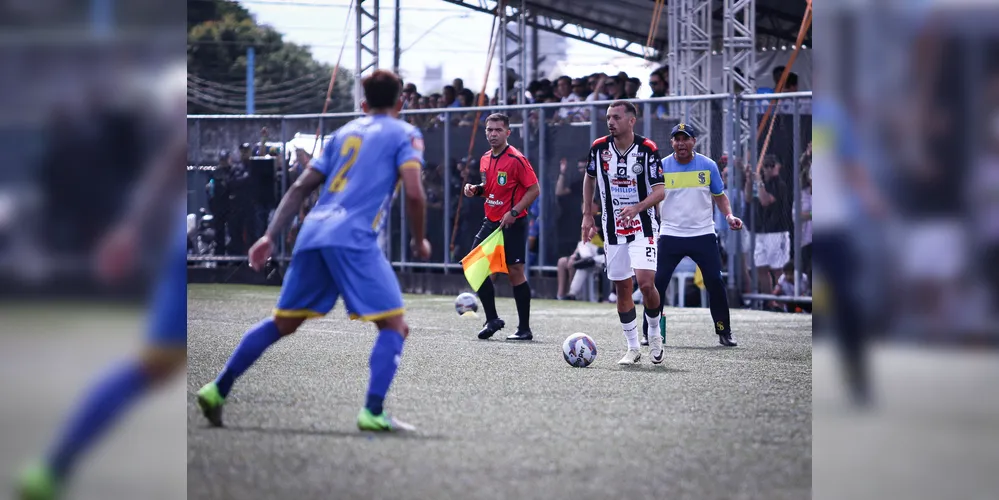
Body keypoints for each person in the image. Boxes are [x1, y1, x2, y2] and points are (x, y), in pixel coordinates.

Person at [194, 70, 431, 432]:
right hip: (353, 237)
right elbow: (414, 192)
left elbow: (300, 186)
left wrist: (269, 236)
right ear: (401, 103)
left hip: (313, 233)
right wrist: (420, 239)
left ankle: (217, 389)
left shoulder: (342, 134)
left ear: (363, 104)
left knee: (283, 322)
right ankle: (373, 411)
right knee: (394, 325)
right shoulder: (406, 133)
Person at [15, 88, 188, 500]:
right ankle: (53, 466)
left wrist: (129, 229)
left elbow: (173, 157)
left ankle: (53, 467)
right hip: (182, 246)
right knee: (152, 366)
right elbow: (174, 157)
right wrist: (130, 229)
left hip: (181, 244)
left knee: (153, 367)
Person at [581, 100, 666, 365]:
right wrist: (586, 214)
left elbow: (661, 190)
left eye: (616, 117)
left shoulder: (647, 149)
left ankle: (653, 335)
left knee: (646, 283)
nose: (610, 122)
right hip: (612, 228)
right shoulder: (598, 148)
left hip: (643, 227)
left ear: (632, 120)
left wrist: (638, 207)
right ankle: (632, 348)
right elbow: (589, 177)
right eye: (608, 117)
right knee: (622, 288)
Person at [653, 123, 743, 347]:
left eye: (686, 139)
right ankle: (650, 333)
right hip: (670, 233)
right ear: (672, 142)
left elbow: (719, 196)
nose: (681, 143)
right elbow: (653, 198)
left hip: (702, 233)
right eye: (677, 139)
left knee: (714, 280)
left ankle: (724, 331)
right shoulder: (661, 167)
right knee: (657, 283)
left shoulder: (708, 165)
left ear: (694, 141)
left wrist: (730, 216)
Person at [462, 113, 540, 341]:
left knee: (515, 273)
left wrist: (514, 212)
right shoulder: (485, 158)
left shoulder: (517, 159)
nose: (493, 134)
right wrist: (475, 189)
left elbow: (534, 189)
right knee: (472, 265)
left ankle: (524, 329)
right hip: (491, 222)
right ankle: (492, 319)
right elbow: (490, 188)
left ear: (508, 132)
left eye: (498, 130)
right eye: (489, 130)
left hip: (513, 223)